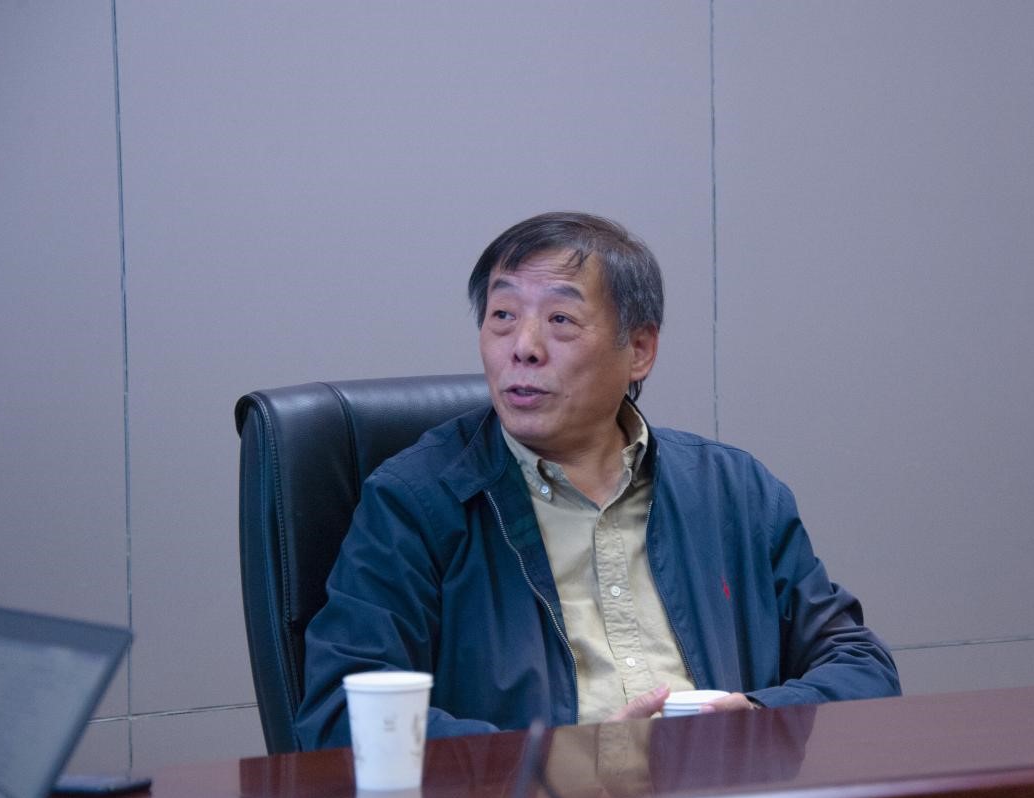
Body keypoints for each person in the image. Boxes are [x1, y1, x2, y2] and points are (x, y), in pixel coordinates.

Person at [296, 212, 900, 744]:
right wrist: (563, 765)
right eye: (502, 316)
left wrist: (758, 718)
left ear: (638, 349)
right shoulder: (416, 502)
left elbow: (862, 667)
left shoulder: (732, 490)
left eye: (561, 319)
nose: (523, 347)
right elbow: (342, 713)